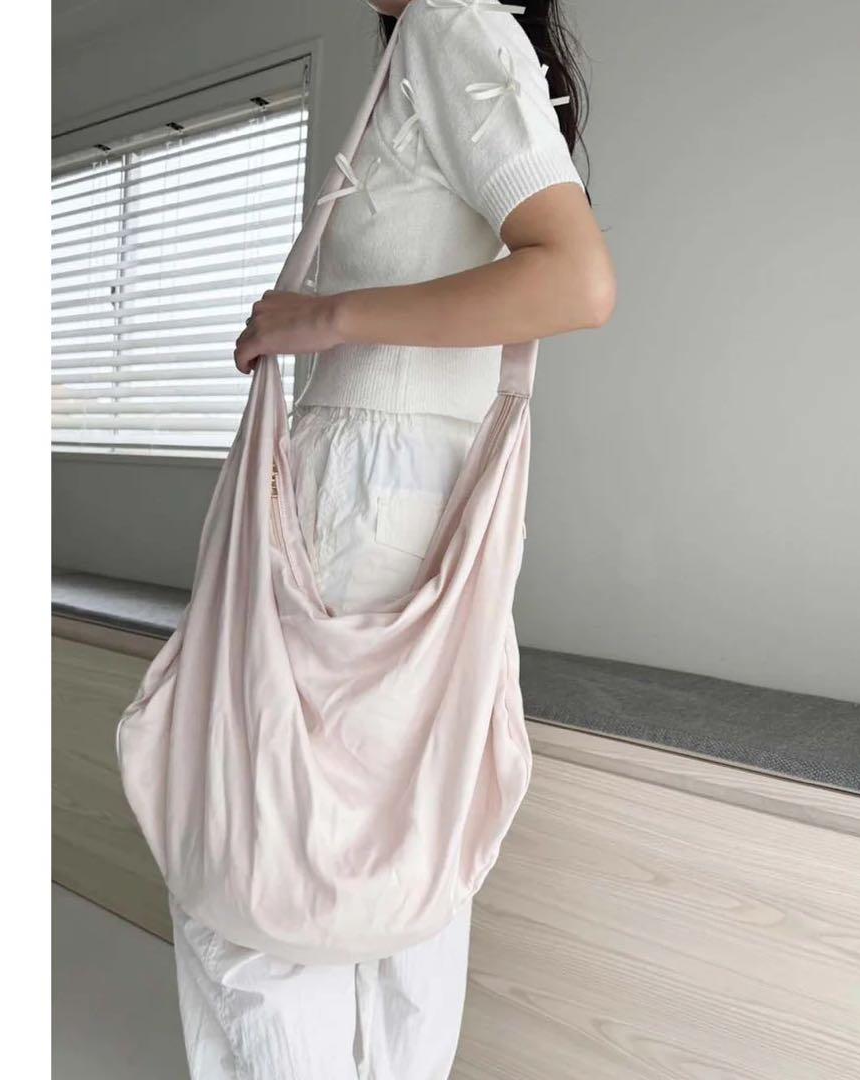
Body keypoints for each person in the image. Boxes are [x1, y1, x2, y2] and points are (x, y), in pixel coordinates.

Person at [169, 0, 614, 1076]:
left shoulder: (448, 28)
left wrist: (324, 317)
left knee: (264, 878)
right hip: (418, 512)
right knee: (400, 866)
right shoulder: (457, 39)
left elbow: (577, 279)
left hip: (363, 510)